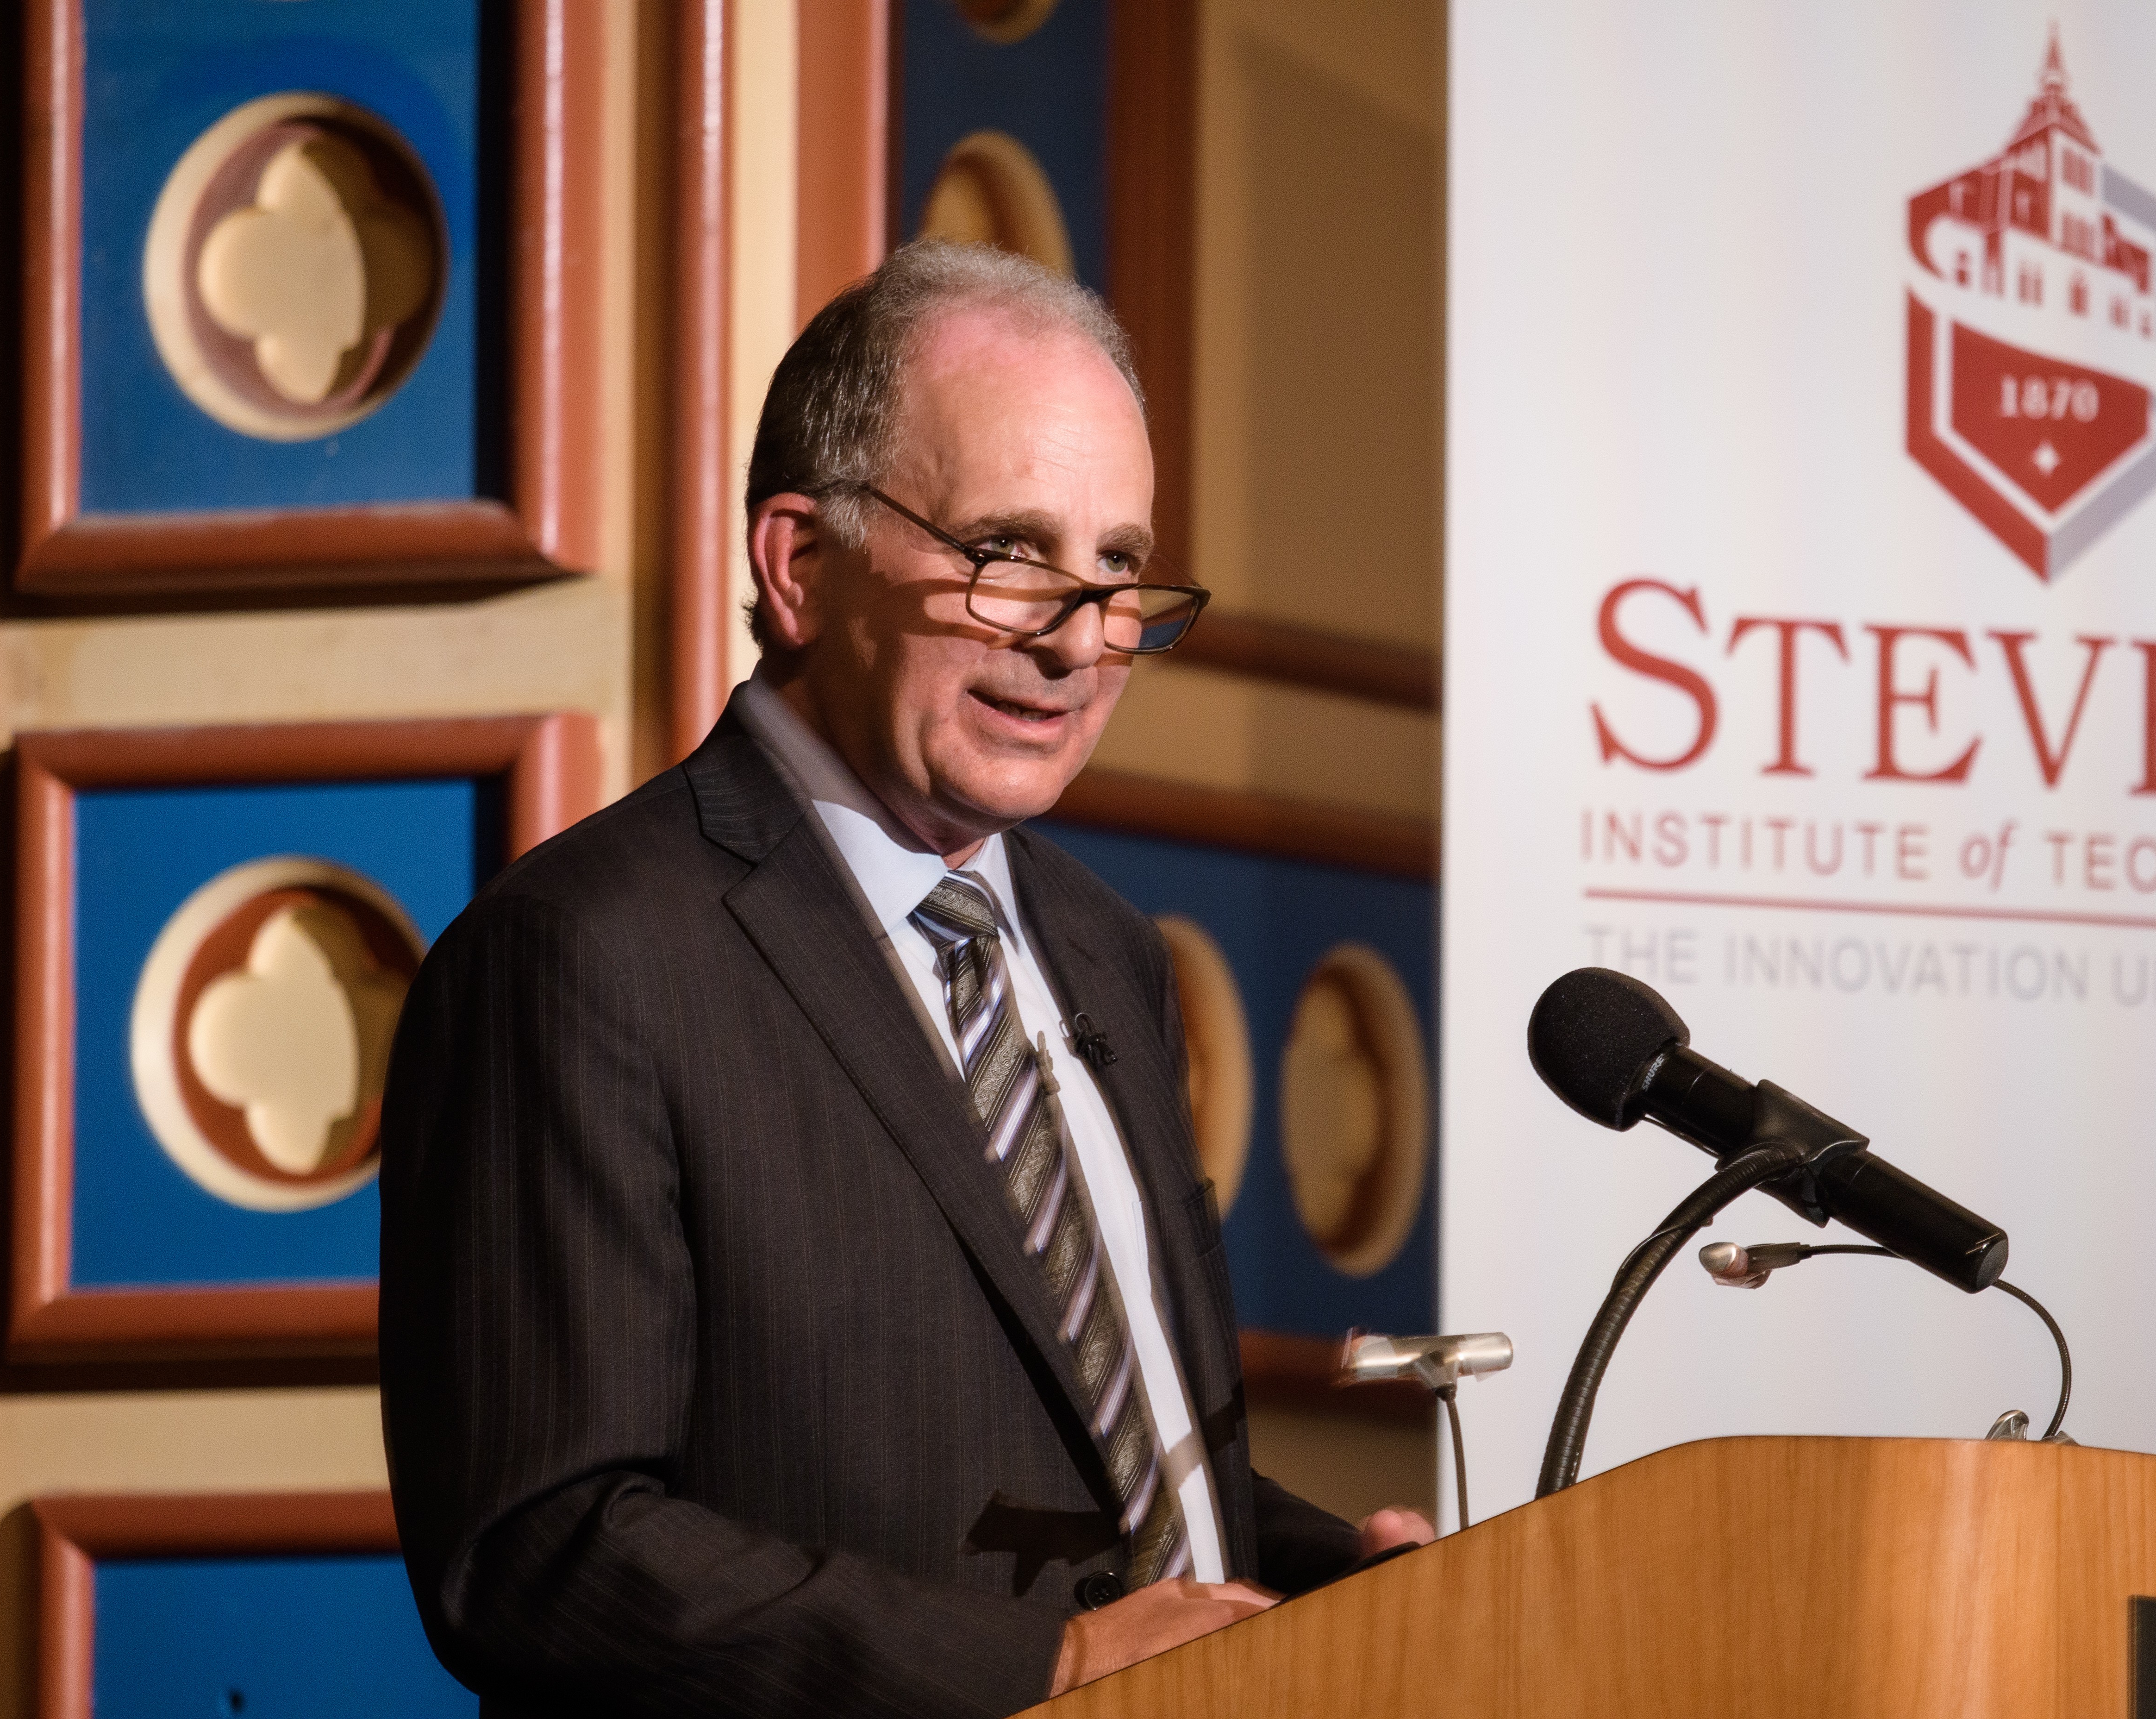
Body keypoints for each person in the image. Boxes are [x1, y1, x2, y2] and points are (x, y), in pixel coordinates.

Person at [378, 239, 1431, 1718]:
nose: (1079, 644)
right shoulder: (582, 957)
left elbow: (1106, 1466)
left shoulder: (1107, 950)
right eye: (1009, 555)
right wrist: (1043, 1671)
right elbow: (539, 1549)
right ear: (801, 566)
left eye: (1118, 568)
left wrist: (1343, 1591)